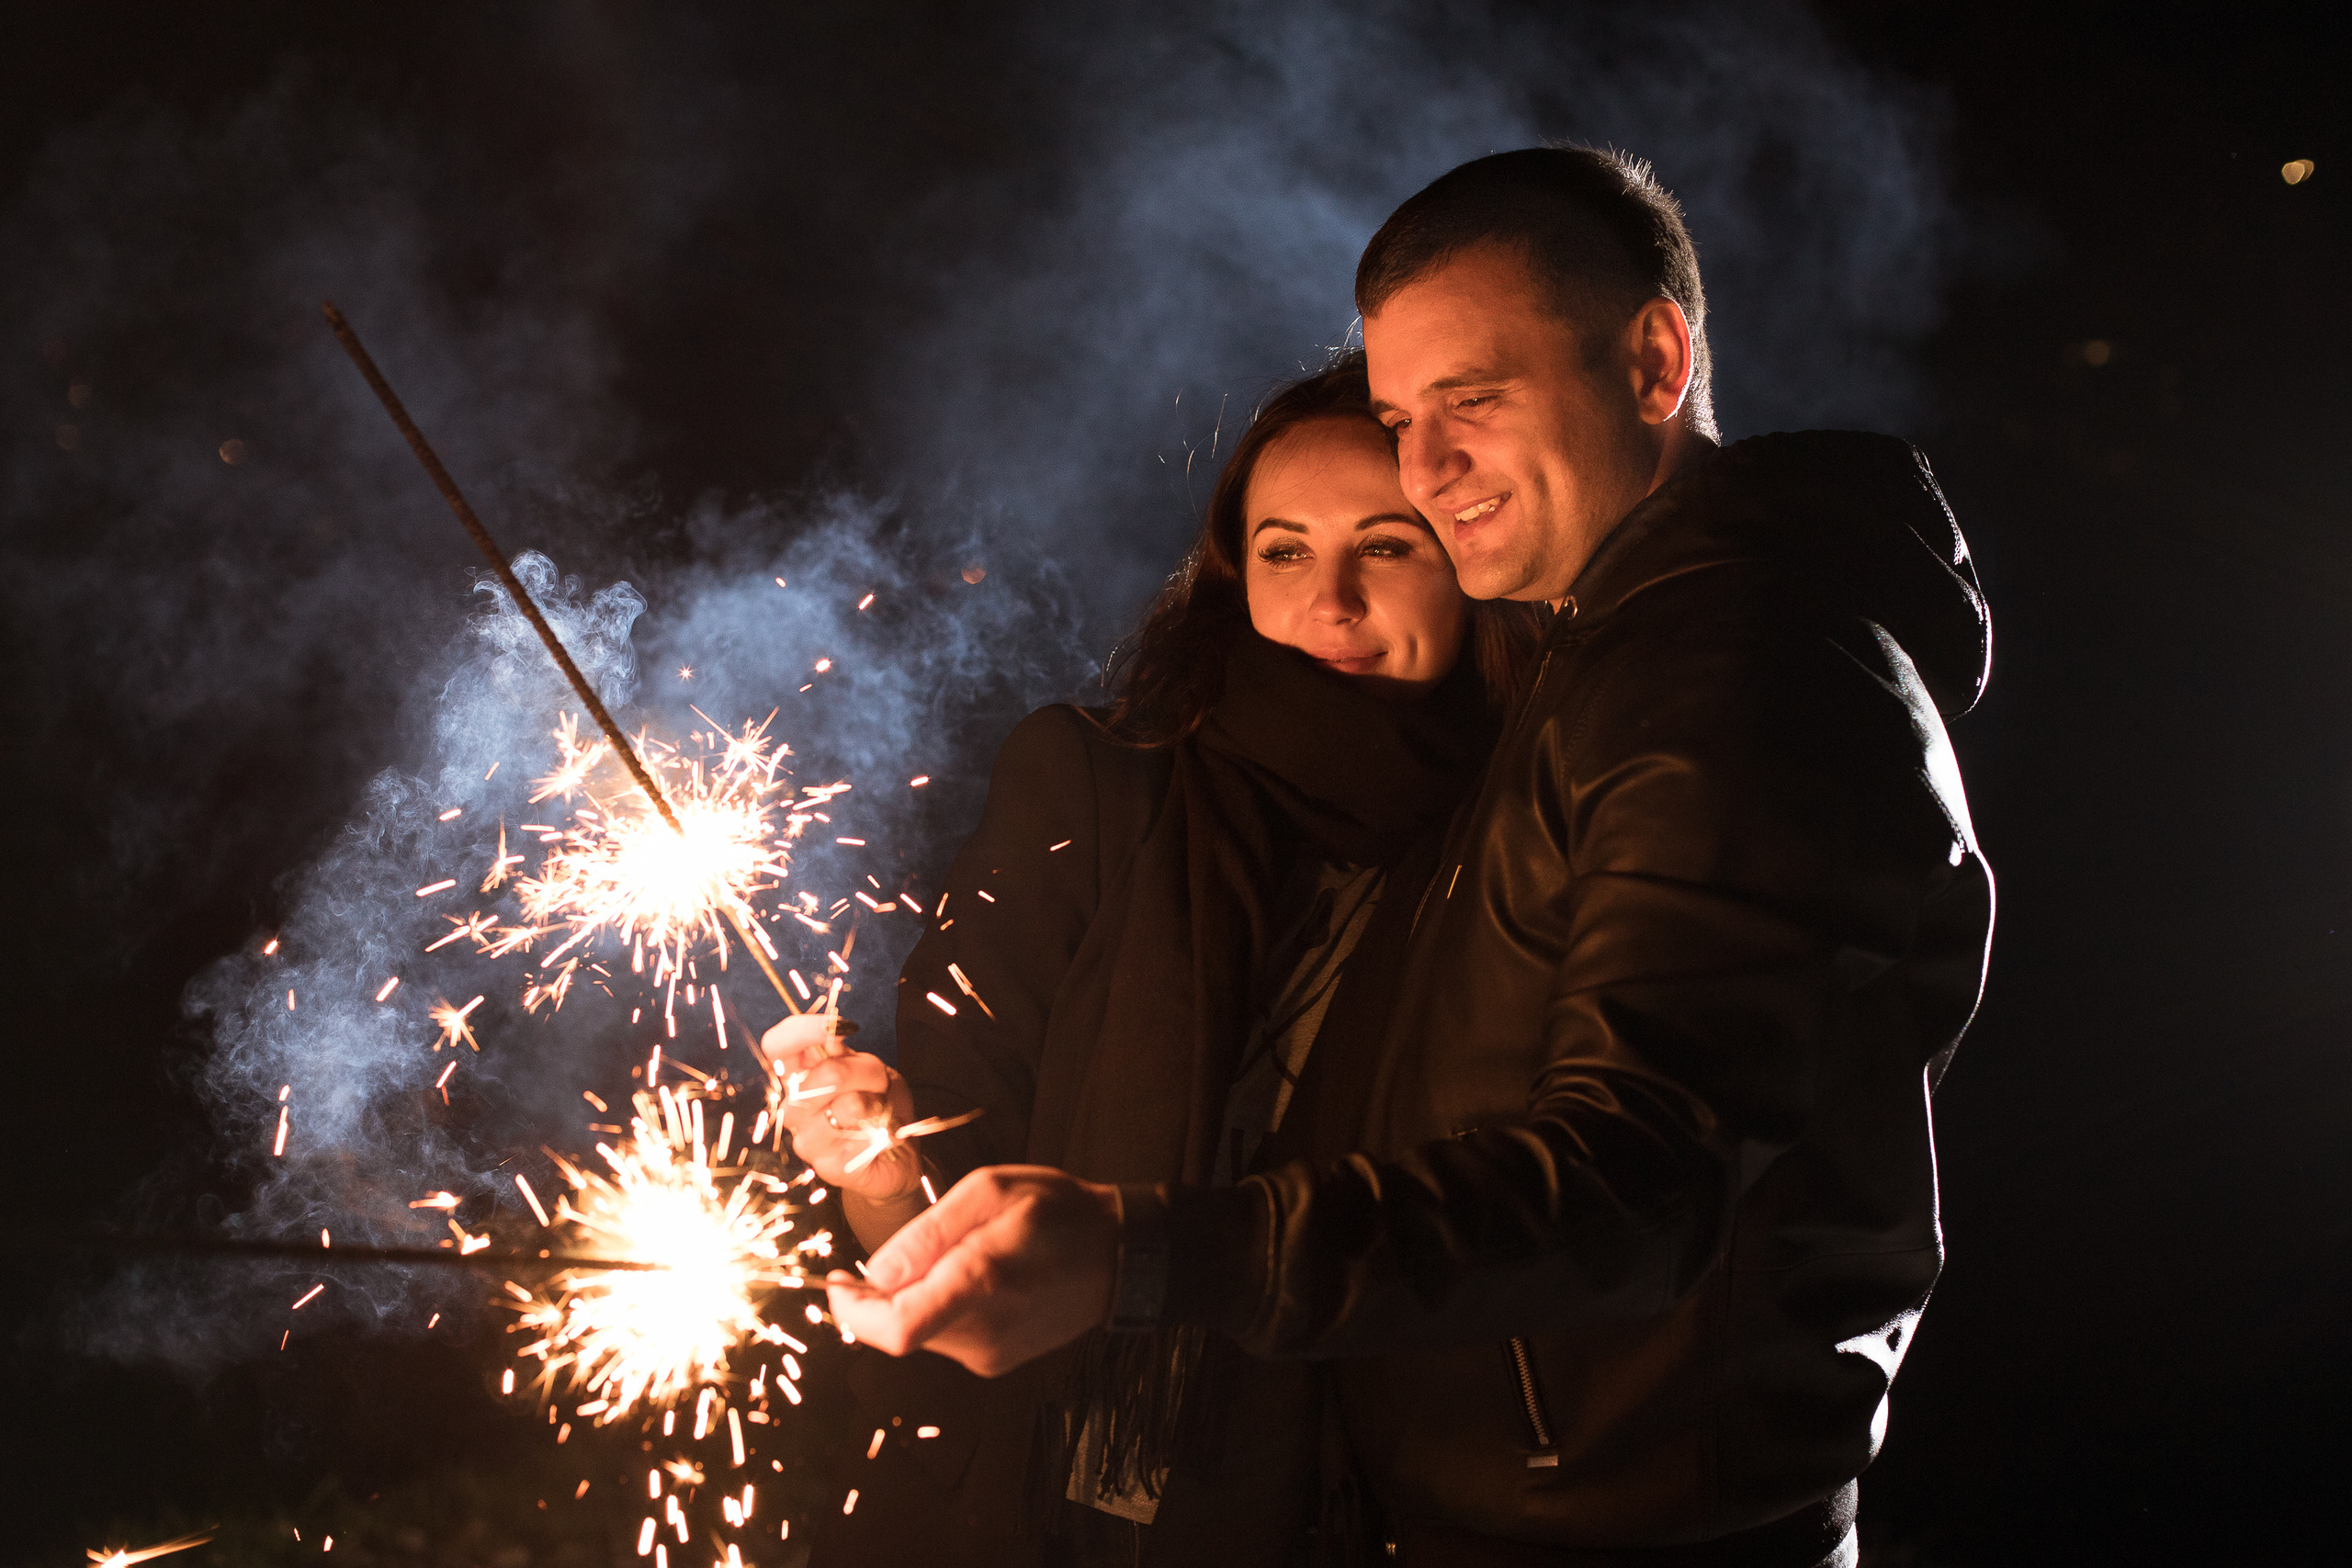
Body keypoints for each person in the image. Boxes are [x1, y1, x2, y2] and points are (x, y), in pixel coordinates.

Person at [822, 147, 1997, 1568]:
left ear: (1655, 361)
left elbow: (1639, 1177)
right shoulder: (1612, 666)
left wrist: (1144, 1252)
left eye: (1473, 402)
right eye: (1400, 418)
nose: (1430, 471)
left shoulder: (1730, 676)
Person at [763, 355, 1543, 1564]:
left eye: (1388, 546)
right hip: (1012, 1503)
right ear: (1236, 574)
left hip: (1332, 1518)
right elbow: (943, 1177)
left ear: (1470, 562)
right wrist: (875, 1163)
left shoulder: (1520, 845)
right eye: (1284, 552)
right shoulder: (1094, 785)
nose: (1330, 601)